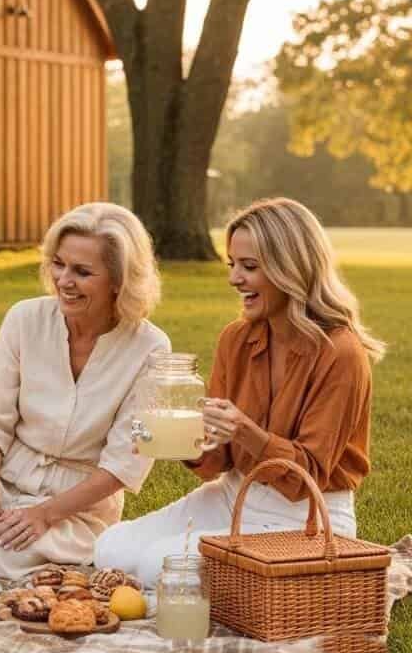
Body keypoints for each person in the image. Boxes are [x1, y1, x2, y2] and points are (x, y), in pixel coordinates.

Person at [93, 197, 385, 587]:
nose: (234, 279)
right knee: (111, 547)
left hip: (308, 517)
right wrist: (180, 440)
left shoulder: (341, 354)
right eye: (233, 265)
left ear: (290, 269)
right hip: (235, 495)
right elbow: (218, 461)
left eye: (249, 267)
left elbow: (306, 476)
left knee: (158, 567)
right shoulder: (237, 338)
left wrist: (245, 430)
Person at [0, 203, 170, 580]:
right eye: (58, 264)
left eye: (82, 271)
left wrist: (44, 514)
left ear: (119, 280)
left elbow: (124, 464)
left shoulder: (151, 348)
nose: (63, 280)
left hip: (75, 505)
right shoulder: (24, 318)